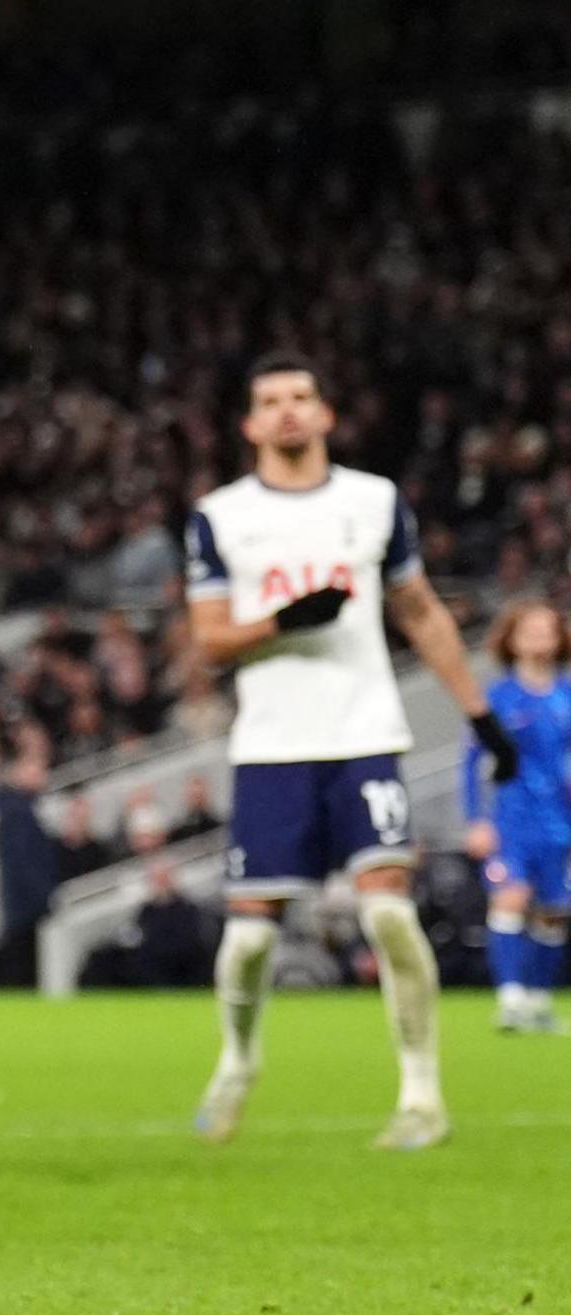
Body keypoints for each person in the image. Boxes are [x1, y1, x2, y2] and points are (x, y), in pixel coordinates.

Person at [185, 352, 517, 1151]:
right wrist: (284, 620)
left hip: (365, 735)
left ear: (327, 414)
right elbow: (208, 638)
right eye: (272, 401)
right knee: (253, 937)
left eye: (303, 396)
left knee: (390, 915)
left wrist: (479, 715)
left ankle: (421, 1098)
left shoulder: (374, 503)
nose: (289, 412)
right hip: (271, 745)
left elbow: (422, 612)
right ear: (251, 425)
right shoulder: (221, 515)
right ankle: (238, 1058)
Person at [462, 599, 571, 1034]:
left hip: (560, 821)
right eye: (531, 631)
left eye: (548, 631)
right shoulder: (499, 698)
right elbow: (469, 763)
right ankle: (510, 1000)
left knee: (554, 912)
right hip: (512, 819)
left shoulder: (566, 695)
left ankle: (539, 1001)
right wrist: (476, 818)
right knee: (510, 897)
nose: (540, 639)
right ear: (511, 640)